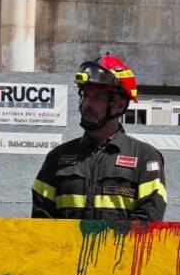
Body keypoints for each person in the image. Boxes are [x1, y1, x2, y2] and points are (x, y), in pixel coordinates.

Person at [31, 55, 166, 221]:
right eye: (85, 95)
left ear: (120, 105)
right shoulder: (57, 157)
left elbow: (148, 220)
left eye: (97, 97)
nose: (87, 104)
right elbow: (41, 221)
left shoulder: (145, 158)